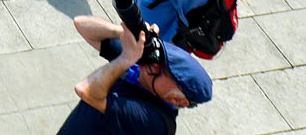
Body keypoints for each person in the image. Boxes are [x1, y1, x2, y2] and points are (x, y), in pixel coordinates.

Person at [50, 16, 212, 133]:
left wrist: (125, 59)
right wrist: (124, 32)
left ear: (178, 99)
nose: (152, 63)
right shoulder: (140, 70)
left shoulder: (153, 120)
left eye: (160, 69)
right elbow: (81, 25)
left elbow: (85, 90)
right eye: (160, 58)